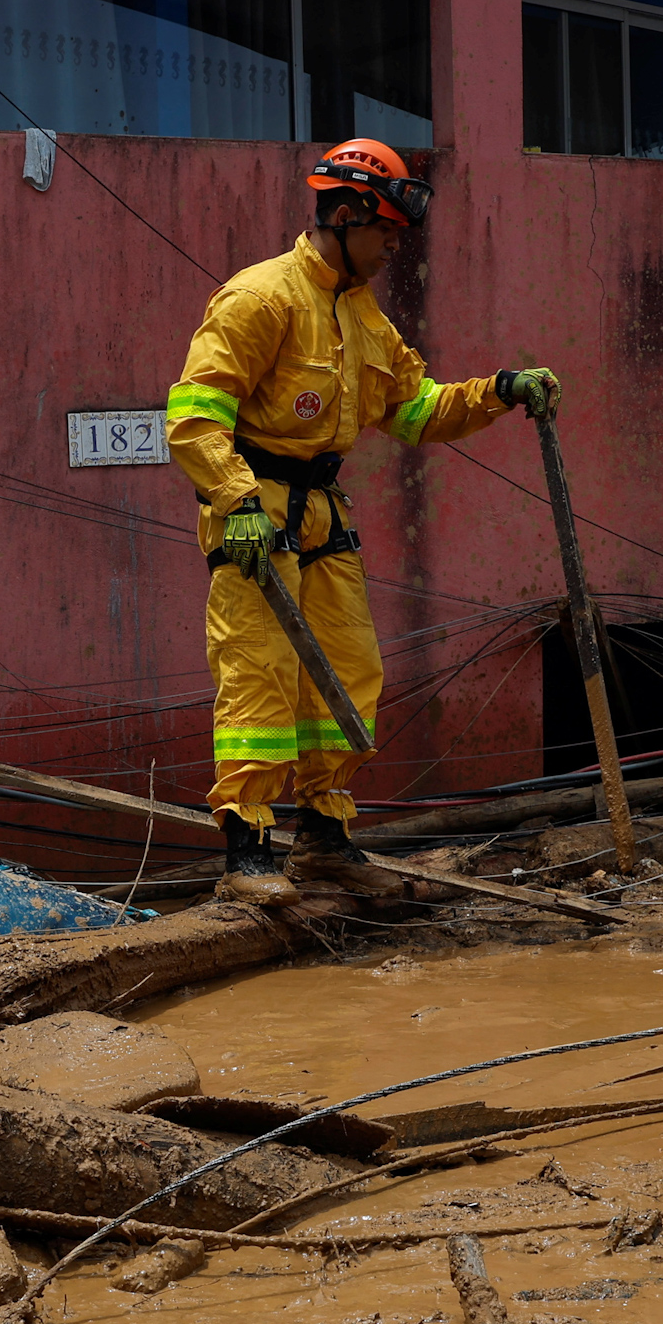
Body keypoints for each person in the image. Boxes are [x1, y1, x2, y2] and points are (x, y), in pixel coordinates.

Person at [166, 139, 559, 904]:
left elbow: (416, 411)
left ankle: (325, 834)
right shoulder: (261, 298)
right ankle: (248, 849)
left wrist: (502, 390)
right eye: (384, 233)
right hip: (256, 514)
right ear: (344, 217)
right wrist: (237, 503)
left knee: (347, 675)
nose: (392, 249)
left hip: (321, 518)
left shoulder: (363, 317)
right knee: (260, 676)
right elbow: (193, 416)